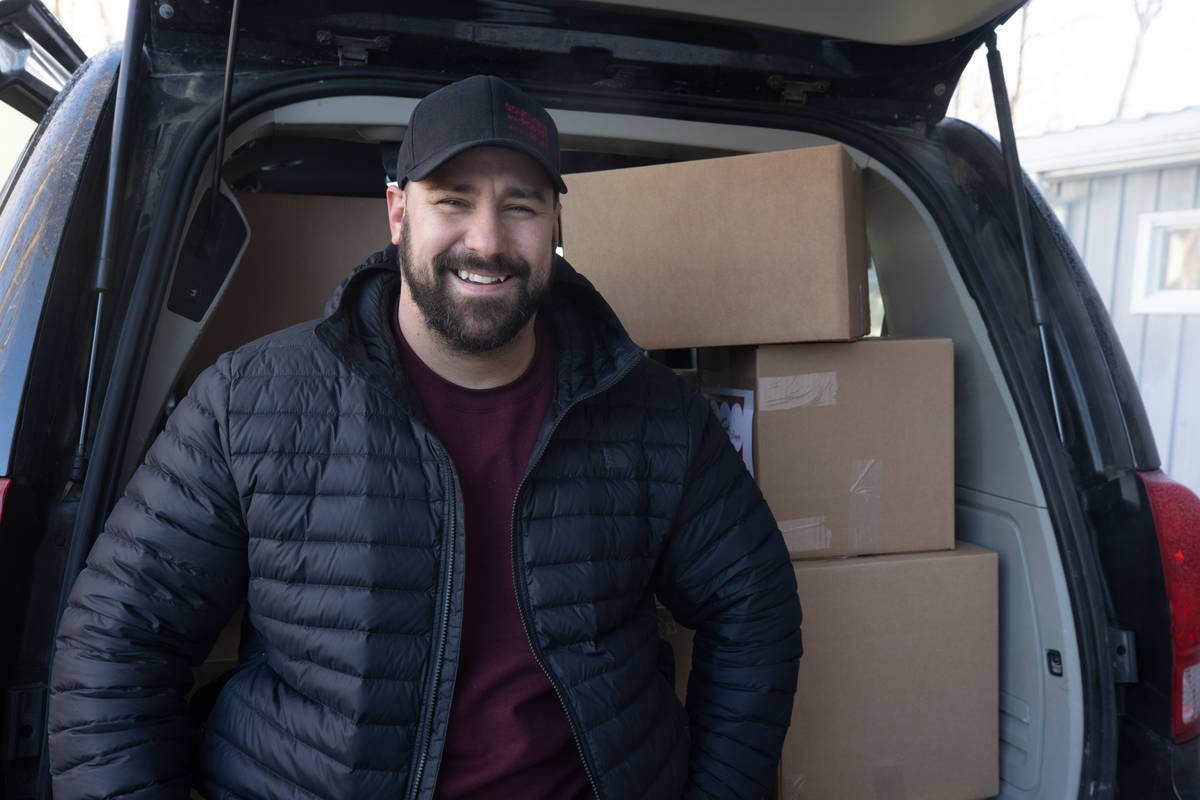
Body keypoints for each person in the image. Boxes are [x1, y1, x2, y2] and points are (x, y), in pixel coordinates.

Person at [48, 75, 802, 799]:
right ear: (397, 212)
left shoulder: (654, 414)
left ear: (555, 226)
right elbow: (115, 648)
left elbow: (756, 608)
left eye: (521, 207)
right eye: (453, 201)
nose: (488, 240)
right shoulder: (249, 401)